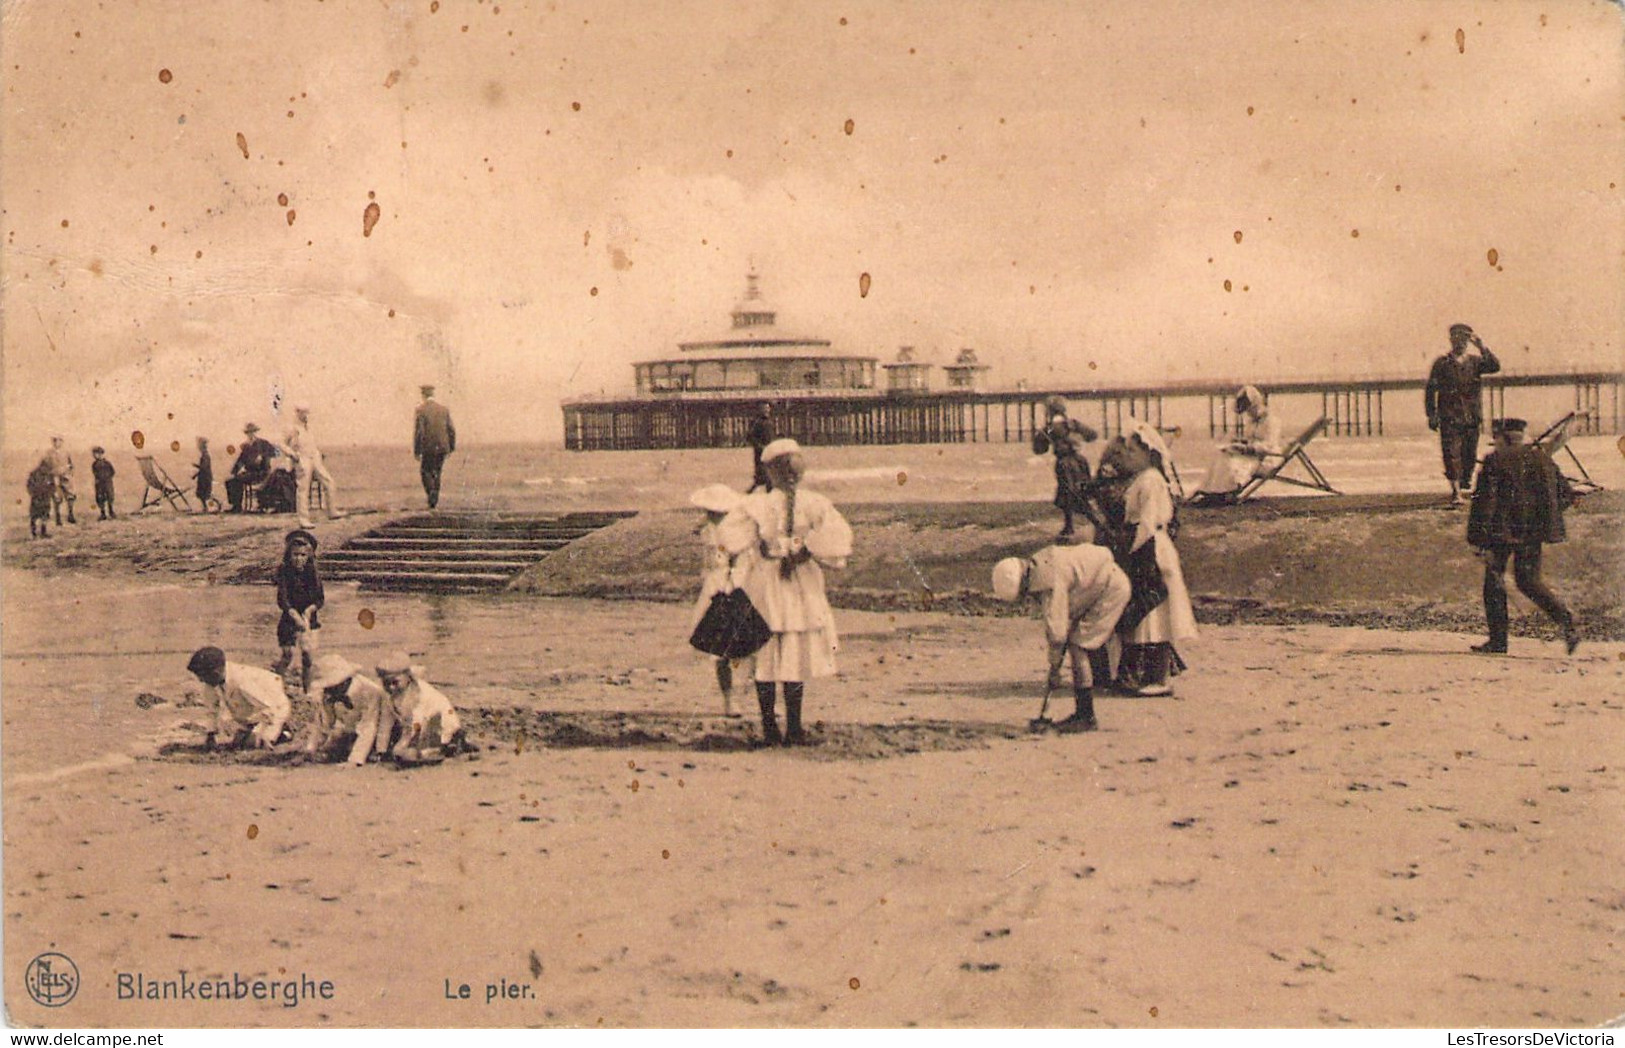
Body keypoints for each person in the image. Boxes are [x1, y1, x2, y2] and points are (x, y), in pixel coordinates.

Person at [717, 438, 853, 746]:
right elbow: (838, 539)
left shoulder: (755, 504)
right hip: (799, 585)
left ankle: (769, 727)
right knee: (794, 656)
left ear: (769, 473)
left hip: (766, 583)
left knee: (766, 657)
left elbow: (728, 538)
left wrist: (760, 548)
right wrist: (806, 552)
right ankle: (793, 727)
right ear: (800, 471)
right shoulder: (816, 503)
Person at [991, 532, 1132, 733]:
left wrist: (1054, 668)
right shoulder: (1040, 562)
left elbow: (1057, 632)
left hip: (1109, 591)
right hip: (1097, 586)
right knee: (1076, 641)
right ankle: (1085, 711)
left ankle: (1086, 716)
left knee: (1078, 646)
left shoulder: (1048, 582)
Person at [1466, 418, 1580, 655]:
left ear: (1503, 438)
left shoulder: (1494, 461)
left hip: (1501, 533)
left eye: (1495, 439)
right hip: (1532, 533)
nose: (1494, 444)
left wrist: (1477, 539)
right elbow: (1567, 495)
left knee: (1494, 583)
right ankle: (1566, 619)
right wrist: (1539, 516)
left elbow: (1484, 504)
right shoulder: (1541, 458)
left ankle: (1498, 641)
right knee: (1529, 581)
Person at [1113, 423, 1198, 696]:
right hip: (1149, 544)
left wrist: (1130, 552)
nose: (1127, 455)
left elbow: (1148, 522)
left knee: (1154, 611)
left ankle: (1158, 678)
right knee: (1148, 612)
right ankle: (1149, 675)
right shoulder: (1145, 477)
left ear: (1148, 453)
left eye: (1132, 450)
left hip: (1150, 547)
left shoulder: (1150, 479)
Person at [689, 483, 752, 717]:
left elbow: (740, 559)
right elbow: (711, 564)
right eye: (710, 511)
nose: (712, 515)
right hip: (718, 588)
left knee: (747, 649)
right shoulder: (707, 531)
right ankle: (729, 700)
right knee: (721, 649)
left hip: (739, 585)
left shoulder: (739, 531)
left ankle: (742, 696)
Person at [1426, 323, 1501, 506]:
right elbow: (1431, 390)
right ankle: (1455, 492)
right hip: (1449, 416)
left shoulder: (1475, 362)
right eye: (1456, 339)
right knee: (1451, 454)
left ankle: (1464, 483)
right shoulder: (1442, 363)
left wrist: (1482, 346)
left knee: (1469, 454)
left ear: (1468, 342)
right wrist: (1432, 414)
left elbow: (1494, 366)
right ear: (1451, 340)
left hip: (1471, 416)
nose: (1460, 343)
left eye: (1464, 340)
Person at [185, 645, 292, 750]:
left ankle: (283, 733)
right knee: (238, 744)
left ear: (215, 672)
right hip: (251, 714)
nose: (201, 680)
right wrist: (211, 734)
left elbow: (270, 707)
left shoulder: (242, 681)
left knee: (254, 744)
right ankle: (255, 731)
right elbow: (212, 710)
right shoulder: (212, 682)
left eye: (202, 676)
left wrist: (265, 732)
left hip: (275, 707)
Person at [1190, 385, 1283, 505]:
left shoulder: (1272, 421)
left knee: (1230, 463)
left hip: (1267, 458)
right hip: (1252, 455)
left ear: (1256, 405)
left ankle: (1222, 493)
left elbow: (1269, 446)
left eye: (1250, 409)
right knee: (1220, 455)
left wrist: (1247, 447)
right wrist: (1240, 442)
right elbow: (1251, 439)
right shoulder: (1252, 421)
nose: (1248, 413)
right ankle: (1211, 491)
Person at [302, 653, 394, 766]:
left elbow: (369, 725)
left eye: (331, 686)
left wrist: (355, 760)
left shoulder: (369, 691)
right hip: (353, 730)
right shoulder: (330, 694)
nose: (327, 691)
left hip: (382, 733)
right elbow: (323, 723)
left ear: (344, 682)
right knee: (334, 742)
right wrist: (311, 748)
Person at [375, 651, 465, 762]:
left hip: (438, 725)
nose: (391, 687)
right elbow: (385, 723)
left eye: (395, 682)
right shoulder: (388, 694)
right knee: (396, 751)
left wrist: (406, 745)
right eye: (386, 683)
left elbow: (417, 723)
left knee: (405, 754)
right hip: (413, 728)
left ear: (408, 677)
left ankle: (449, 744)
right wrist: (381, 751)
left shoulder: (419, 693)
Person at [1031, 396, 1101, 538]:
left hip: (1064, 463)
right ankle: (1075, 525)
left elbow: (1039, 450)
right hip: (1081, 462)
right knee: (1080, 491)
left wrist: (1039, 436)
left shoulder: (1050, 429)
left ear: (1049, 411)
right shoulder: (1073, 424)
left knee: (1068, 493)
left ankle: (1084, 525)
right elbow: (1093, 435)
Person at [271, 529, 324, 692]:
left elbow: (320, 599)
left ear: (309, 556)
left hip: (309, 619)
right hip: (289, 618)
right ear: (289, 555)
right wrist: (295, 616)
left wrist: (309, 611)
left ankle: (307, 690)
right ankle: (276, 685)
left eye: (302, 555)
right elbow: (283, 600)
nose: (298, 559)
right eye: (295, 554)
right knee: (288, 655)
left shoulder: (313, 572)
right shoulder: (284, 572)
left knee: (307, 656)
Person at [277, 405, 340, 528]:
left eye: (307, 413)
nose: (306, 415)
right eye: (304, 412)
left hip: (314, 458)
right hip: (302, 459)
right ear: (298, 412)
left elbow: (311, 443)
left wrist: (318, 454)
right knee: (303, 489)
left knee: (329, 482)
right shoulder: (291, 427)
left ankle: (332, 511)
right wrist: (292, 455)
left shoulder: (309, 427)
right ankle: (303, 520)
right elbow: (281, 444)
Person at [413, 385, 456, 509]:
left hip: (428, 447)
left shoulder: (420, 410)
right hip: (442, 447)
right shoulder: (444, 409)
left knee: (425, 471)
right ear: (433, 394)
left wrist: (417, 450)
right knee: (437, 472)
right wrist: (451, 447)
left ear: (423, 395)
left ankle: (431, 497)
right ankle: (433, 500)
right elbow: (451, 430)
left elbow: (419, 432)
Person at [225, 423, 276, 512]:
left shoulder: (263, 443)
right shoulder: (246, 446)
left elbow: (275, 452)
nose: (251, 435)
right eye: (249, 433)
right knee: (231, 481)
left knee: (238, 480)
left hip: (262, 472)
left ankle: (238, 507)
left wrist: (263, 456)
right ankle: (236, 505)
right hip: (250, 472)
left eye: (253, 432)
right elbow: (240, 460)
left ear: (256, 432)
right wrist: (234, 472)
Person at [45, 436, 76, 525]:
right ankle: (58, 518)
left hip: (66, 477)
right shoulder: (49, 453)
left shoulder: (66, 452)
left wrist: (70, 473)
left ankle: (71, 515)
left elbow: (71, 464)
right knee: (57, 497)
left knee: (70, 495)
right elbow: (47, 466)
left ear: (62, 442)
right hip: (55, 477)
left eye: (58, 441)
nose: (56, 443)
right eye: (54, 441)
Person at [746, 403, 774, 493]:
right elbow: (749, 437)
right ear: (760, 410)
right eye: (764, 408)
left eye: (768, 408)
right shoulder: (756, 422)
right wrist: (759, 446)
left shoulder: (770, 421)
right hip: (760, 452)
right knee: (764, 474)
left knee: (767, 474)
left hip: (770, 451)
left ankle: (752, 492)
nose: (766, 410)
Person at [27, 459, 56, 538]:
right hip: (37, 499)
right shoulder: (34, 474)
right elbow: (30, 485)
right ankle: (33, 533)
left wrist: (50, 494)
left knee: (45, 516)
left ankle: (43, 532)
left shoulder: (49, 475)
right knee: (34, 516)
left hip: (46, 499)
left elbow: (53, 486)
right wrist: (34, 494)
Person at [90, 446, 116, 520]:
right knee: (100, 498)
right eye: (94, 454)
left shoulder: (107, 463)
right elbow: (94, 472)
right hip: (99, 483)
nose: (95, 456)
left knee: (110, 496)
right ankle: (103, 513)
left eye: (97, 454)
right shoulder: (94, 464)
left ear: (101, 454)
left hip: (107, 482)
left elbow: (112, 471)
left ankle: (111, 512)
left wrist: (108, 478)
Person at [192, 437, 213, 509]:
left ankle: (206, 506)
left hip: (205, 477)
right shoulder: (204, 455)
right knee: (202, 494)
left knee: (204, 493)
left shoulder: (206, 455)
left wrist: (196, 466)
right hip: (203, 476)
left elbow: (204, 467)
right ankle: (205, 507)